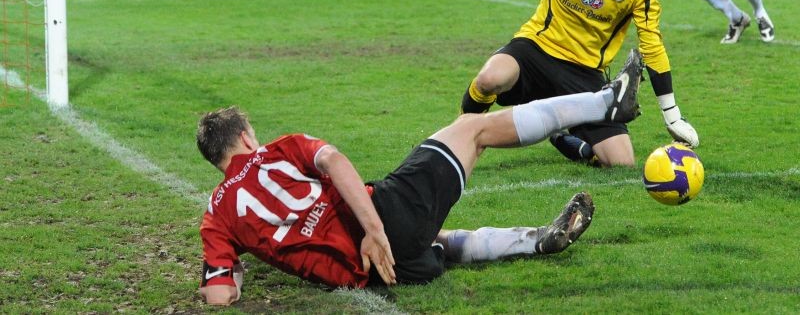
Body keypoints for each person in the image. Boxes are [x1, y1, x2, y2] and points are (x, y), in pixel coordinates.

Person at [196, 53, 645, 304]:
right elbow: (336, 163)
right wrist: (372, 228)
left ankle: (536, 239)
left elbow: (219, 294)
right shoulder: (278, 149)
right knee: (473, 128)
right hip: (387, 220)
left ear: (216, 159)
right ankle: (607, 104)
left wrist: (235, 278)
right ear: (244, 136)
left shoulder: (216, 217)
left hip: (385, 275)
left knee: (442, 243)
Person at [426, 0, 699, 167]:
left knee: (621, 161)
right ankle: (454, 140)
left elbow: (652, 47)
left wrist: (671, 115)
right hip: (535, 50)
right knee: (490, 78)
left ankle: (563, 137)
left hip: (585, 72)